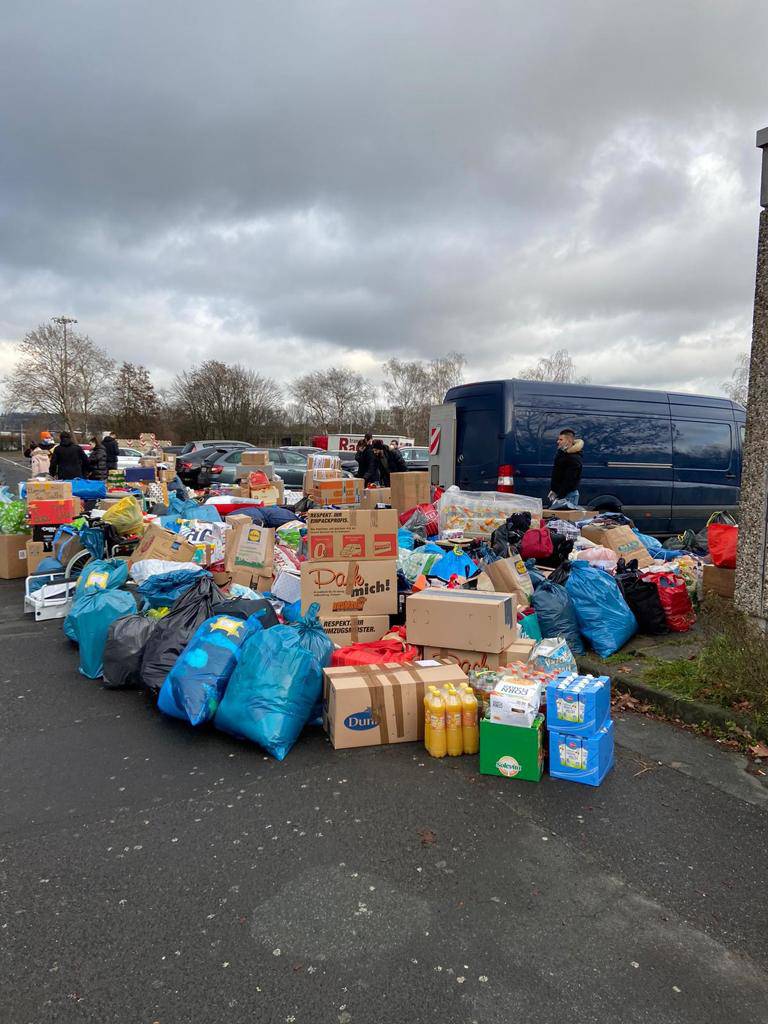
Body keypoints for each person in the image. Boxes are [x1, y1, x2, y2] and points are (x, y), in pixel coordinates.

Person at [548, 429, 584, 508]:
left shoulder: (574, 458)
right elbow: (557, 474)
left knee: (563, 519)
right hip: (561, 493)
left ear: (569, 441)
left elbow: (570, 480)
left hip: (567, 495)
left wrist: (559, 496)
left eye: (561, 439)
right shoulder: (562, 453)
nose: (558, 441)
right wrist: (553, 490)